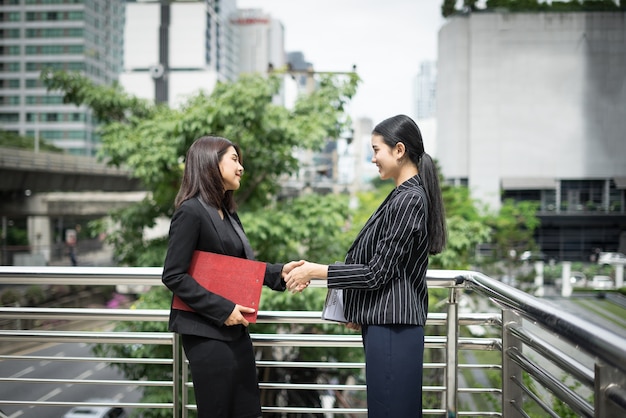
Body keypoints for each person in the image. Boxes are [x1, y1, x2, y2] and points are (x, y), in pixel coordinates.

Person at [286, 114, 447, 417]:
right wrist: (361, 309)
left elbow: (378, 272)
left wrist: (316, 271)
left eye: (376, 150)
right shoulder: (403, 195)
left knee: (390, 410)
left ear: (399, 150)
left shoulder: (408, 199)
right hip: (387, 324)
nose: (373, 158)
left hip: (393, 327)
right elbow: (387, 270)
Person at [162, 135, 301, 418]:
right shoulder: (191, 211)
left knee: (247, 410)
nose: (241, 168)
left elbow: (237, 269)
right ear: (211, 163)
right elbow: (174, 275)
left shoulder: (225, 211)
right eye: (234, 159)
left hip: (235, 332)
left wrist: (279, 273)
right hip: (207, 334)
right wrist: (223, 310)